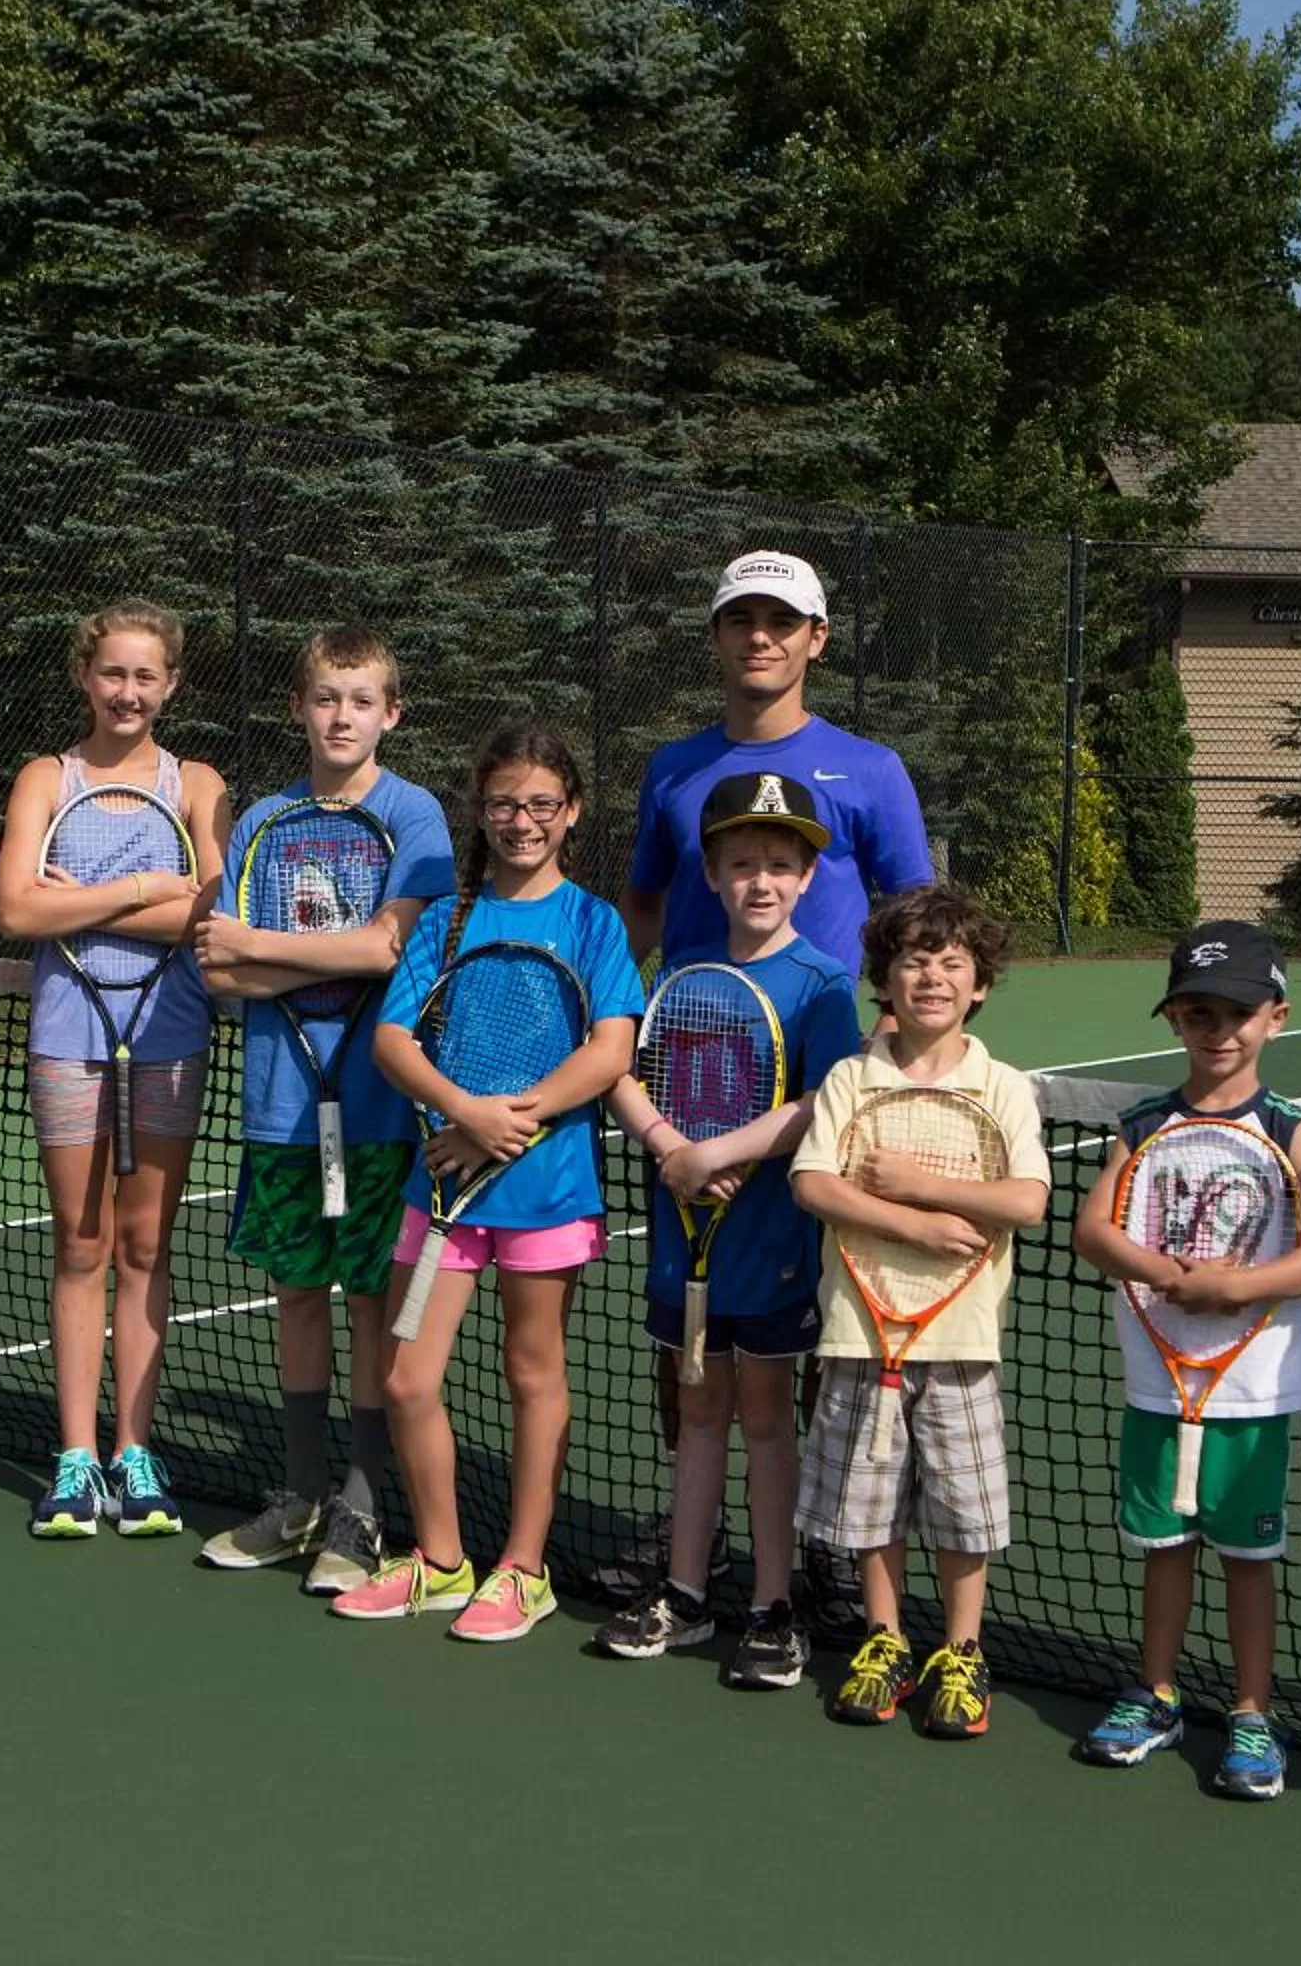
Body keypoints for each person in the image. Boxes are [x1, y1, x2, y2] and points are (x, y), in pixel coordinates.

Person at [613, 550, 933, 1602]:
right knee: (694, 1324)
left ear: (817, 638)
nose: (761, 637)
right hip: (690, 1094)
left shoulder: (872, 769)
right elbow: (645, 913)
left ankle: (819, 1536)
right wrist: (626, 1035)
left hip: (816, 1094)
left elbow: (915, 923)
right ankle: (692, 1531)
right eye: (741, 619)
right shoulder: (672, 767)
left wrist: (879, 1062)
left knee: (816, 1329)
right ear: (716, 636)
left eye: (781, 621)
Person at [331, 724, 642, 1641]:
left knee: (532, 1372)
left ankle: (522, 1569)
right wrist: (463, 1111)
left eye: (542, 804)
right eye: (505, 802)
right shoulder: (447, 919)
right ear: (481, 809)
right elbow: (393, 1040)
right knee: (406, 1377)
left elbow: (612, 1047)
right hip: (441, 1195)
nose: (522, 821)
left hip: (547, 1191)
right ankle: (438, 1559)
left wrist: (514, 1116)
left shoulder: (593, 922)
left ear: (572, 812)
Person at [192, 628, 455, 1594]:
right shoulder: (262, 818)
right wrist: (268, 954)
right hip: (279, 1107)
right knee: (297, 1295)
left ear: (391, 713)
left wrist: (265, 949)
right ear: (300, 709)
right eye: (325, 698)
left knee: (370, 1301)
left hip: (381, 1113)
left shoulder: (414, 814)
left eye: (361, 700)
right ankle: (301, 1496)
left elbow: (389, 951)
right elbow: (220, 963)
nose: (341, 717)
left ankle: (361, 1504)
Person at [1068, 923, 1301, 1797]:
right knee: (1162, 1545)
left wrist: (1241, 1287)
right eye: (1198, 1012)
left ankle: (1253, 1711)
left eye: (1238, 1012)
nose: (1218, 1029)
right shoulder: (1144, 1124)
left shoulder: (1289, 1129)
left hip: (1253, 1384)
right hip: (1159, 1377)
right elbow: (1092, 1228)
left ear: (1276, 1017)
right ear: (1174, 1020)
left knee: (1246, 1556)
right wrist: (1161, 1273)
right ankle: (1155, 1695)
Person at [594, 773, 859, 1688]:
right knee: (698, 1414)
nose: (761, 881)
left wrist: (719, 1155)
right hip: (684, 1241)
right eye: (742, 863)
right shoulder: (681, 975)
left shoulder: (822, 986)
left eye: (780, 865)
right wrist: (671, 1143)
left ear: (807, 876)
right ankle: (688, 1590)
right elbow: (621, 1069)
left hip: (773, 1247)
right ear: (708, 872)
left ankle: (774, 1605)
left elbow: (825, 1101)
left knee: (766, 1421)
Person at [0, 600, 230, 1540]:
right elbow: (14, 912)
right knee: (81, 1246)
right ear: (84, 677)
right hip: (67, 1040)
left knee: (144, 1250)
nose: (128, 692)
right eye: (112, 673)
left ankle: (135, 1450)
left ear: (169, 684)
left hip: (170, 1040)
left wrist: (80, 906)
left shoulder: (197, 783)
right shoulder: (45, 780)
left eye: (146, 676)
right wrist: (144, 889)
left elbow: (211, 921)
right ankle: (75, 1459)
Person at [790, 884, 1048, 1734]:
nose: (932, 977)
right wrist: (908, 1222)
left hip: (962, 1338)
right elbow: (814, 1181)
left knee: (960, 1507)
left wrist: (928, 1190)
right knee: (870, 1504)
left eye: (952, 964)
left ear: (979, 985)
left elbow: (1027, 1200)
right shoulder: (850, 1078)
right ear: (884, 979)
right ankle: (886, 1638)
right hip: (860, 1329)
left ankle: (963, 1651)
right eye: (913, 961)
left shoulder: (1003, 1085)